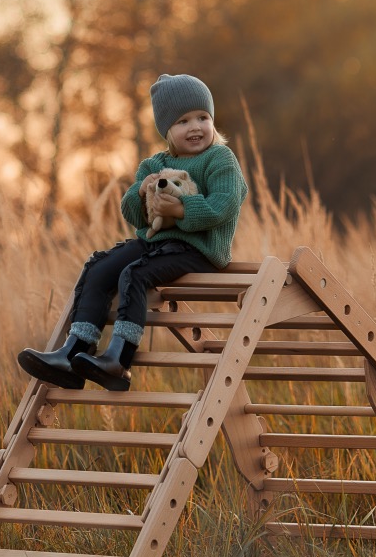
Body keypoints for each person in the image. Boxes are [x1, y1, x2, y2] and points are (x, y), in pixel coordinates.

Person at [17, 73, 248, 392]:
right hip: (156, 244)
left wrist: (179, 210)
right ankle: (74, 353)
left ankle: (119, 361)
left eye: (202, 117)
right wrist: (141, 192)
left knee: (134, 274)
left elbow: (224, 204)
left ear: (212, 120)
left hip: (200, 251)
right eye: (182, 121)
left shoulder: (220, 158)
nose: (195, 127)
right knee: (99, 268)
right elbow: (132, 213)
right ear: (167, 130)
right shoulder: (153, 165)